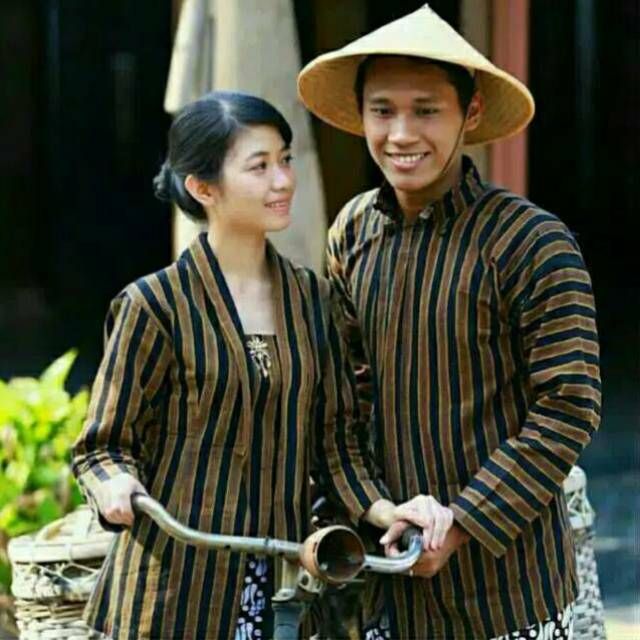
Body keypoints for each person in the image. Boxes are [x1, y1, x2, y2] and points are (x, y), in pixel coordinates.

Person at [72, 91, 448, 640]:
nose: (283, 181)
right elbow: (102, 445)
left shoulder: (314, 300)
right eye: (260, 166)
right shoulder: (155, 306)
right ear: (203, 188)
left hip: (282, 585)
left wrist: (384, 511)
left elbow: (337, 443)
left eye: (286, 160)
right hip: (172, 589)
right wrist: (115, 484)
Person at [298, 5, 601, 640]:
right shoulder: (351, 234)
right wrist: (378, 509)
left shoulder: (531, 242)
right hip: (389, 586)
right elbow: (342, 401)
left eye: (426, 110)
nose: (401, 134)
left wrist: (461, 521)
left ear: (472, 112)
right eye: (382, 110)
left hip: (511, 594)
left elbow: (568, 408)